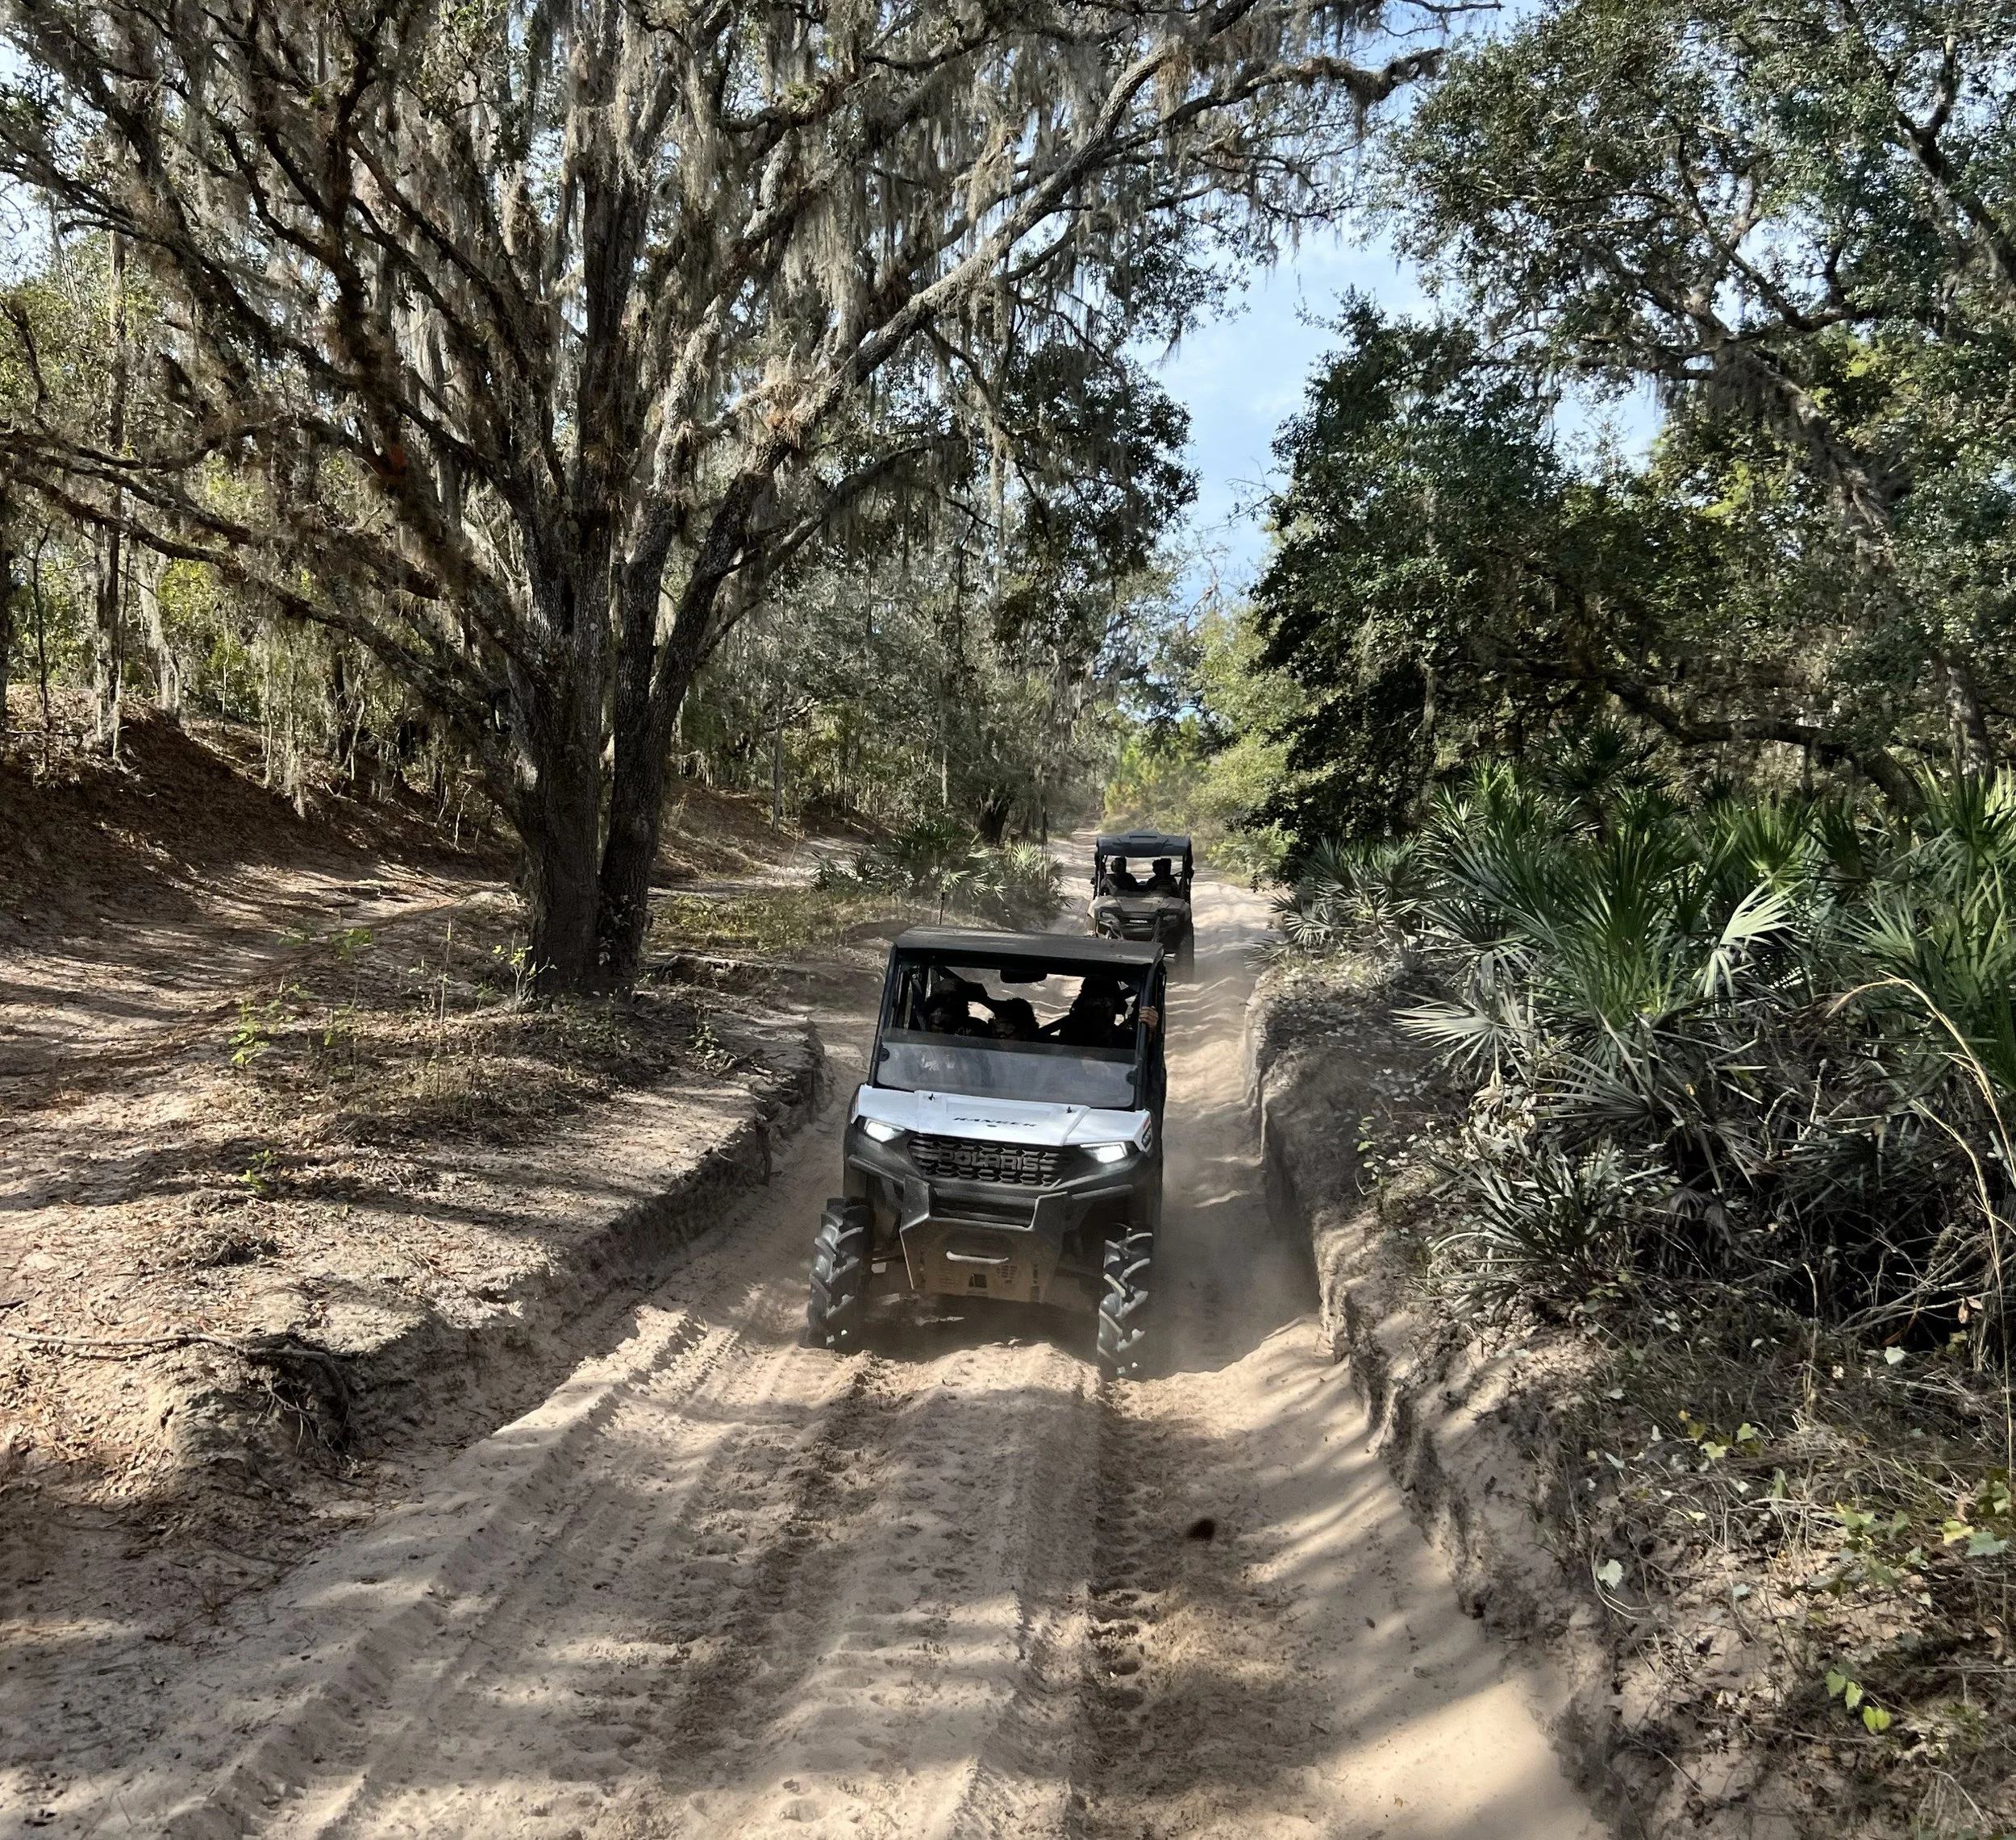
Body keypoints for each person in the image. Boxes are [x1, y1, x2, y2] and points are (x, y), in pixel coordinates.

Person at [1045, 974, 1133, 1048]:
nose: (1098, 1008)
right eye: (1092, 1001)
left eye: (1105, 1003)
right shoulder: (1070, 1030)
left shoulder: (1124, 1038)